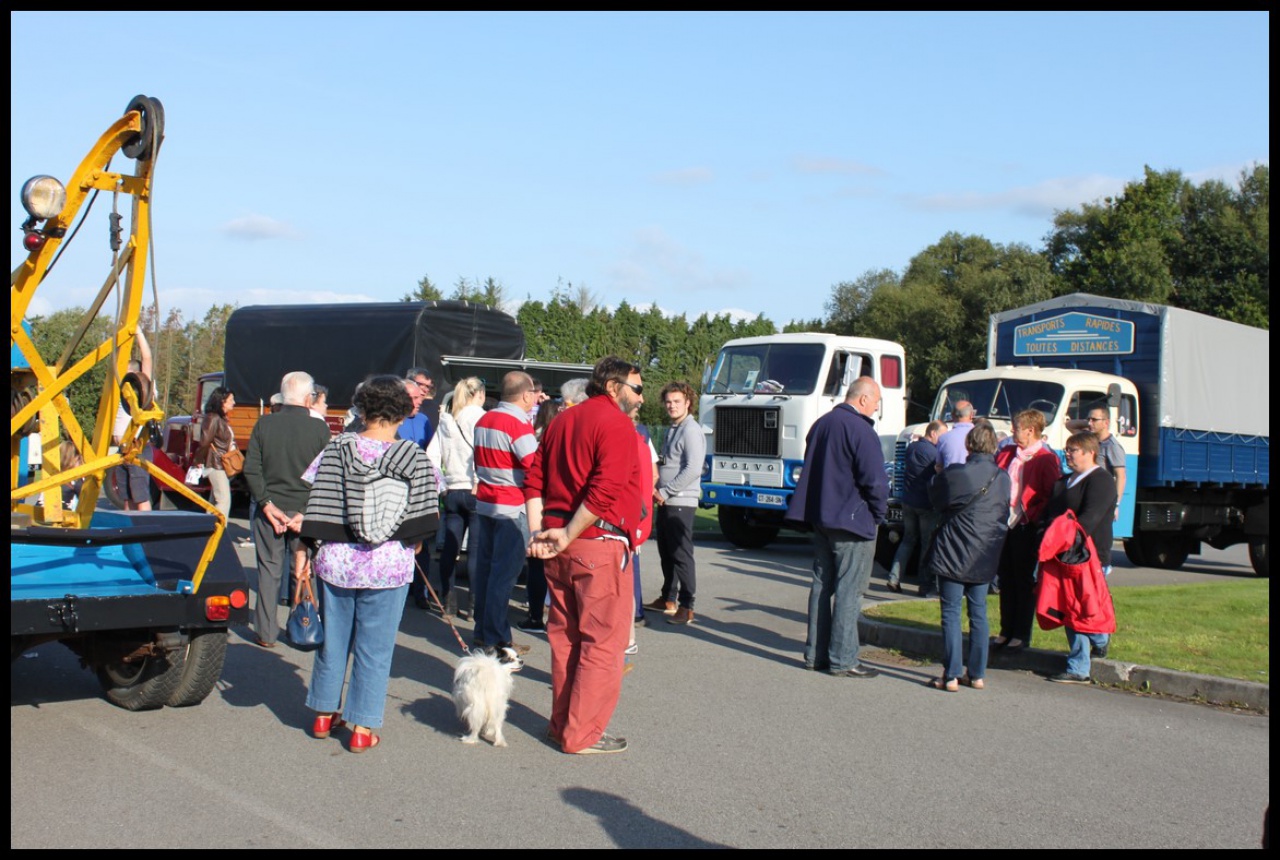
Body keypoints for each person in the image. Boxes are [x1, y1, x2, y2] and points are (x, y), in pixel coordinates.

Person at [297, 374, 438, 752]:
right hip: (388, 564)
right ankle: (361, 727)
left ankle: (324, 714)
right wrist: (414, 541)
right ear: (404, 412)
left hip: (337, 561)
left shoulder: (336, 449)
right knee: (375, 650)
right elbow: (425, 513)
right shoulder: (413, 455)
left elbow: (317, 501)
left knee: (335, 642)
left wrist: (303, 550)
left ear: (362, 409)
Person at [525, 356, 646, 754]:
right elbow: (604, 490)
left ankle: (563, 726)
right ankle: (582, 734)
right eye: (637, 388)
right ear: (613, 387)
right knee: (602, 644)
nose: (642, 398)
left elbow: (534, 478)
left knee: (566, 639)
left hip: (562, 543)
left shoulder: (562, 420)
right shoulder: (616, 424)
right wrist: (560, 534)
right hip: (595, 543)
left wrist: (541, 531)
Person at [785, 377, 888, 679]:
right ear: (864, 399)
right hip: (852, 521)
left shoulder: (822, 424)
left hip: (822, 517)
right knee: (849, 590)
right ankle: (843, 659)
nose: (877, 407)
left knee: (821, 585)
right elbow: (875, 481)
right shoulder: (861, 430)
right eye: (876, 401)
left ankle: (815, 655)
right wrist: (878, 514)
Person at [242, 371, 330, 648]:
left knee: (269, 570)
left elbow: (251, 468)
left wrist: (267, 504)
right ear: (308, 398)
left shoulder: (264, 424)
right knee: (303, 570)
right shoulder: (320, 430)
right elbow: (325, 476)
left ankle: (266, 632)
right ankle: (301, 627)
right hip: (304, 511)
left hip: (270, 509)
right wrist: (304, 512)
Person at [921, 423, 1011, 691]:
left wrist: (938, 477)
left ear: (969, 446)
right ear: (993, 446)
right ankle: (977, 673)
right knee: (979, 612)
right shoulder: (1002, 477)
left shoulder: (957, 473)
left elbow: (935, 497)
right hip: (985, 550)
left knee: (951, 612)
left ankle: (950, 674)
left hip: (955, 548)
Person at [1040, 431, 1118, 684]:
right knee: (1070, 607)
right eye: (1067, 449)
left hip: (1088, 554)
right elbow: (1052, 512)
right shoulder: (1066, 481)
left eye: (1073, 450)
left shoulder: (1101, 480)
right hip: (1063, 553)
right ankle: (1079, 665)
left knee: (1084, 606)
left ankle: (1099, 638)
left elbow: (1089, 519)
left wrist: (1062, 536)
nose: (1068, 454)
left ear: (1089, 452)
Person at [470, 371, 540, 652]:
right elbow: (534, 466)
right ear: (525, 395)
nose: (535, 398)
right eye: (534, 393)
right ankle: (496, 639)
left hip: (486, 501)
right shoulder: (517, 424)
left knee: (487, 573)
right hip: (512, 505)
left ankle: (483, 631)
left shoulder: (484, 419)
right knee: (504, 576)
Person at [991, 408, 1061, 652]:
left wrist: (1032, 515)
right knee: (1005, 578)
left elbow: (1051, 494)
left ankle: (1021, 633)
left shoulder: (1045, 458)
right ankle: (1005, 629)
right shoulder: (1008, 453)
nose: (1013, 432)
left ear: (1031, 431)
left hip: (1025, 526)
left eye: (1016, 428)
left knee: (1022, 580)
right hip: (1003, 524)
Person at [426, 376, 486, 619]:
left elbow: (432, 456)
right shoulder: (482, 418)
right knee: (476, 550)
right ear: (479, 394)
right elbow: (484, 454)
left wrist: (442, 486)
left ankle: (448, 601)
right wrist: (478, 481)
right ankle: (473, 606)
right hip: (475, 490)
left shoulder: (447, 420)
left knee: (450, 548)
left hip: (451, 490)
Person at [647, 380, 705, 625]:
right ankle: (668, 597)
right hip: (667, 500)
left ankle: (687, 606)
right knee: (666, 552)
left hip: (680, 500)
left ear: (688, 403)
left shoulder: (691, 429)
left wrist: (667, 491)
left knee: (681, 554)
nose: (671, 406)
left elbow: (693, 468)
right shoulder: (674, 428)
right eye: (668, 402)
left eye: (677, 401)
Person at [516, 397, 563, 634]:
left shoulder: (536, 439)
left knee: (536, 564)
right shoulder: (564, 439)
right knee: (557, 568)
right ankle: (555, 617)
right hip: (558, 511)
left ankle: (535, 615)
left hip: (536, 508)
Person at [886, 419, 947, 595]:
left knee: (908, 540)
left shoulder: (912, 448)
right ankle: (924, 584)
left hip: (908, 501)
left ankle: (894, 577)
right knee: (927, 544)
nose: (943, 440)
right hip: (925, 504)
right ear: (933, 433)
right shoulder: (934, 453)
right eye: (942, 435)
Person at [401, 373, 436, 611]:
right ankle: (401, 591)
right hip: (399, 489)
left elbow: (430, 452)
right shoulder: (392, 421)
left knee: (422, 541)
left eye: (426, 388)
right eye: (420, 387)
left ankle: (421, 592)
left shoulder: (423, 419)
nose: (423, 393)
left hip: (419, 489)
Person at [111, 329, 154, 511]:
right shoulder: (122, 393)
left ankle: (146, 534)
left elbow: (147, 359)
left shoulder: (143, 390)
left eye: (127, 372)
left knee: (140, 496)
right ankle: (129, 534)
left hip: (138, 448)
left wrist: (137, 333)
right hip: (122, 450)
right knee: (126, 499)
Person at [196, 386, 237, 519]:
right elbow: (204, 442)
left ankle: (208, 530)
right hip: (215, 464)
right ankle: (218, 531)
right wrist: (198, 462)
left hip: (220, 464)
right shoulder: (212, 418)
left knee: (214, 501)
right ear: (222, 401)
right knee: (224, 500)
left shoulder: (220, 419)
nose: (234, 402)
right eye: (231, 399)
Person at [1086, 407, 1126, 522]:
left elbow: (1121, 476)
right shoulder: (1091, 439)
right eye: (1088, 419)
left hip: (1102, 495)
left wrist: (1116, 505)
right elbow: (1070, 425)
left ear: (1106, 423)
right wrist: (1088, 423)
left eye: (1094, 420)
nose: (1090, 423)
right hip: (1090, 492)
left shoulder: (1112, 446)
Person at [934, 400, 975, 471]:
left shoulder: (943, 438)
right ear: (971, 415)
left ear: (952, 416)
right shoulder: (981, 436)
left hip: (950, 479)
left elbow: (939, 465)